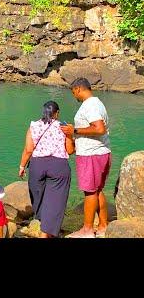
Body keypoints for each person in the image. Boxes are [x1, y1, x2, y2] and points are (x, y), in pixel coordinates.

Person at [61, 77, 111, 238]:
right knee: (97, 190)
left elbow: (99, 128)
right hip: (100, 152)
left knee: (90, 192)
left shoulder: (90, 105)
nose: (74, 96)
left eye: (73, 92)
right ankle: (103, 225)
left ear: (78, 89)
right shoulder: (97, 103)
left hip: (91, 154)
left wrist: (74, 131)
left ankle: (87, 230)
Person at [19, 101, 75, 238]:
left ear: (43, 112)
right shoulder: (64, 127)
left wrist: (22, 166)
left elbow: (28, 150)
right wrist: (71, 138)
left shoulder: (34, 125)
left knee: (39, 197)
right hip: (58, 166)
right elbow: (70, 150)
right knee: (56, 200)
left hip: (37, 165)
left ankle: (43, 224)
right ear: (57, 113)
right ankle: (47, 231)